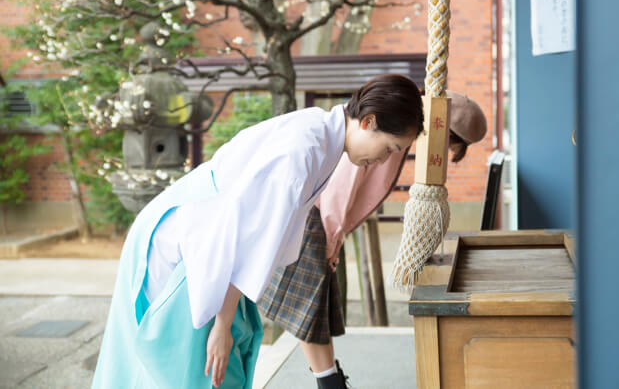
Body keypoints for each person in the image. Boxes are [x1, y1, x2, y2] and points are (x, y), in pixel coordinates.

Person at [91, 74, 424, 389]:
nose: (383, 161)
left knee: (222, 358)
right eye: (390, 148)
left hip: (207, 237)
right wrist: (221, 326)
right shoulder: (304, 150)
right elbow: (247, 241)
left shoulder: (322, 132)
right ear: (369, 122)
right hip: (188, 240)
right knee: (196, 369)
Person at [259, 89, 487, 389]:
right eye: (450, 145)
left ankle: (330, 380)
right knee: (309, 308)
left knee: (315, 307)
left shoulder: (400, 131)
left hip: (321, 215)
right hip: (318, 214)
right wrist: (332, 235)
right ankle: (329, 382)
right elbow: (341, 185)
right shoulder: (391, 127)